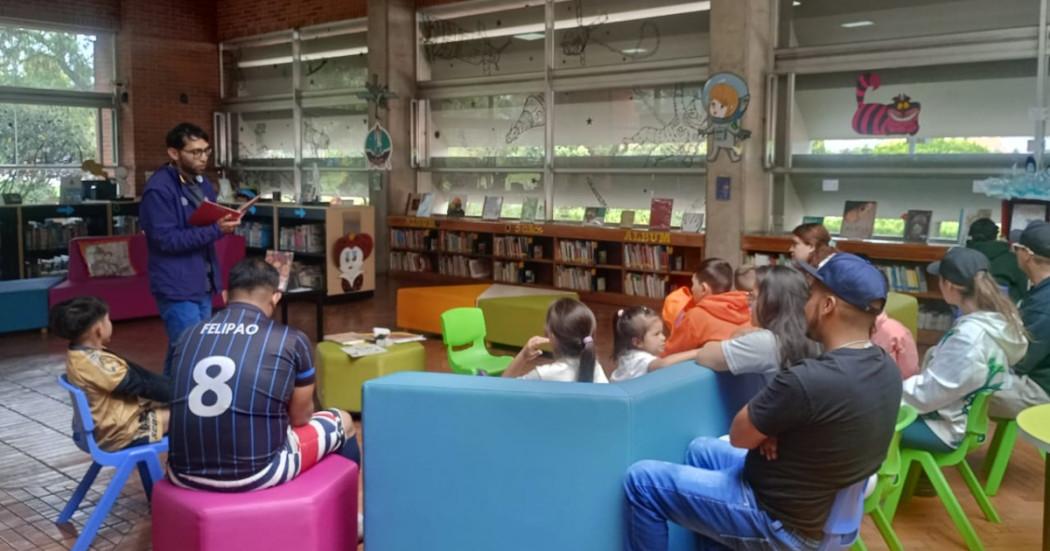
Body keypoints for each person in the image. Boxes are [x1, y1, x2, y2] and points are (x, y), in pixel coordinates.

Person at [623, 253, 902, 550]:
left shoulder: (808, 379)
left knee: (641, 481)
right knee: (700, 450)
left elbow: (741, 435)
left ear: (827, 306)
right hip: (823, 511)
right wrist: (777, 428)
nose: (803, 304)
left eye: (810, 295)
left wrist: (771, 426)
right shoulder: (886, 368)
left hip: (782, 522)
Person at [167, 258, 359, 491]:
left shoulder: (187, 336)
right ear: (276, 298)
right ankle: (347, 514)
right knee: (344, 421)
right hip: (257, 472)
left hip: (181, 471)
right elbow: (300, 418)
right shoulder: (292, 340)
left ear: (226, 296)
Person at [901, 247, 1027, 453]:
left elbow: (928, 395)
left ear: (949, 286)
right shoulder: (999, 322)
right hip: (964, 419)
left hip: (944, 428)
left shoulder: (969, 339)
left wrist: (884, 395)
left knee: (861, 423)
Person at [140, 123, 240, 376]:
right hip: (176, 284)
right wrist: (216, 229)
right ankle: (181, 407)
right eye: (195, 152)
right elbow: (166, 240)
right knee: (192, 349)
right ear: (174, 153)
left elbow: (206, 221)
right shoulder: (159, 189)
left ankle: (169, 401)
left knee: (185, 349)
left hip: (203, 280)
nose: (203, 157)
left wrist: (225, 222)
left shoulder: (203, 183)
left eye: (206, 151)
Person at [50, 297, 171, 452]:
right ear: (99, 329)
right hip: (119, 434)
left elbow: (142, 378)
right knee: (196, 413)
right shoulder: (97, 364)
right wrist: (186, 391)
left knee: (178, 401)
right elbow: (144, 385)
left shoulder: (78, 353)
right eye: (108, 320)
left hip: (105, 427)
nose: (110, 324)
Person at [689, 265, 821, 376]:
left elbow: (706, 355)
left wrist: (738, 335)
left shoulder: (767, 342)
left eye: (753, 296)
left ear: (771, 302)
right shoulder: (814, 338)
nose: (749, 303)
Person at [989, 222, 1050, 418]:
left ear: (1027, 255)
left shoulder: (1044, 306)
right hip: (1037, 376)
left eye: (1017, 248)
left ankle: (947, 439)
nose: (1014, 253)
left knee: (959, 383)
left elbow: (1020, 360)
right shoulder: (1042, 291)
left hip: (1039, 390)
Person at [502, 298, 608, 382]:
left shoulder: (544, 375)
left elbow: (502, 389)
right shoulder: (596, 368)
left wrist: (522, 356)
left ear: (551, 336)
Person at [662, 259, 751, 355]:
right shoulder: (750, 308)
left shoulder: (695, 317)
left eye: (693, 284)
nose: (691, 288)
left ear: (704, 289)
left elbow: (669, 353)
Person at [610, 306, 709, 382]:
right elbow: (663, 364)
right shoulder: (640, 359)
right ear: (637, 342)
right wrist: (698, 352)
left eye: (661, 333)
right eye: (656, 334)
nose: (663, 338)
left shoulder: (627, 353)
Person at [966, 217, 1027, 303]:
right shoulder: (1012, 259)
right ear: (995, 235)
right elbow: (1024, 290)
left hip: (967, 309)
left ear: (971, 235)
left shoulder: (962, 257)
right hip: (1004, 309)